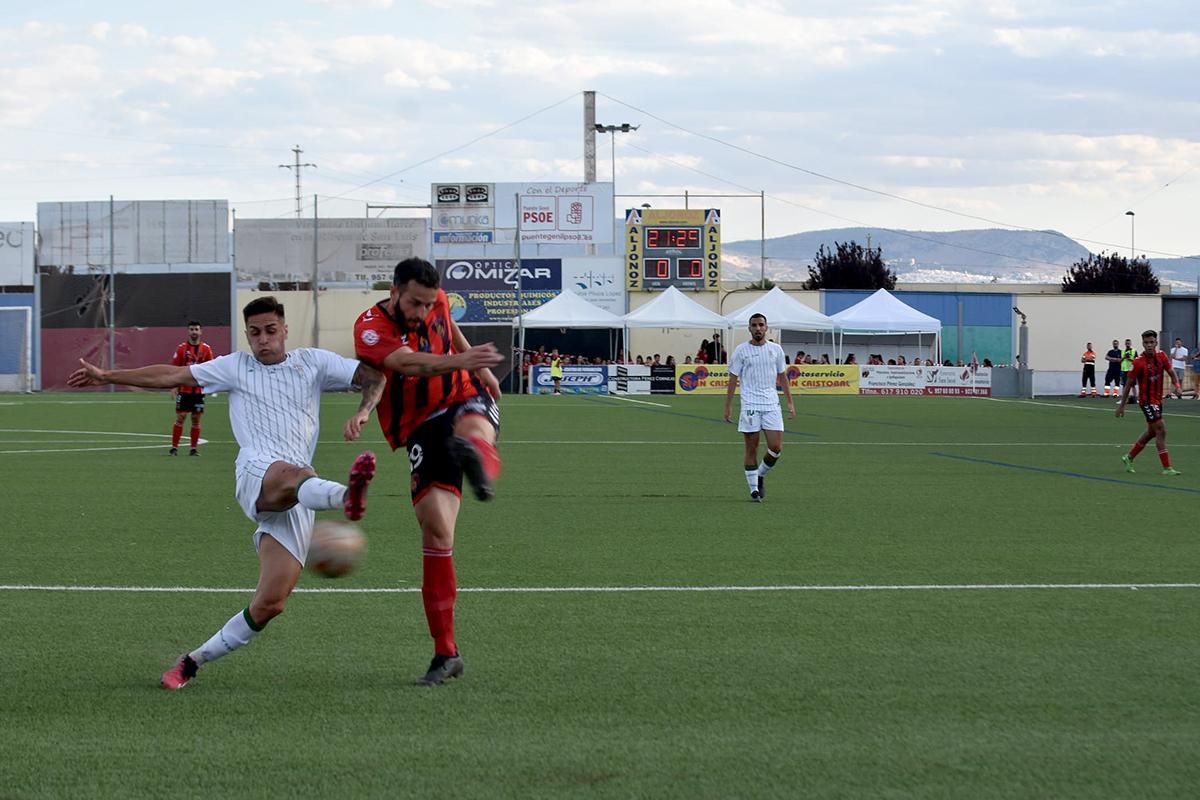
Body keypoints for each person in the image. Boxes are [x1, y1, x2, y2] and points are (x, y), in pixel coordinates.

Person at [67, 296, 386, 690]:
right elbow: (172, 375)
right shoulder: (235, 367)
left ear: (285, 330)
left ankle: (191, 662)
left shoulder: (314, 363)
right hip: (258, 472)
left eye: (271, 331)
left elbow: (374, 377)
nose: (263, 340)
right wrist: (107, 375)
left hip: (298, 495)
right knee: (297, 473)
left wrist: (363, 410)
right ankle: (345, 497)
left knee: (271, 603)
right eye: (254, 333)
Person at [354, 257, 505, 687]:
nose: (422, 311)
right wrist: (464, 361)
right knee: (436, 529)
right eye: (414, 303)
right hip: (419, 424)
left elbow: (450, 328)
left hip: (461, 394)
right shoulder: (370, 328)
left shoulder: (435, 299)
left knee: (474, 426)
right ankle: (446, 653)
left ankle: (477, 458)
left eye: (427, 303)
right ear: (395, 290)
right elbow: (409, 364)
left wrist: (477, 366)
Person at [723, 313, 795, 503]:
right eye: (754, 325)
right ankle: (754, 490)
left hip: (772, 403)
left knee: (776, 447)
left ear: (766, 327)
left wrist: (790, 402)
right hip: (750, 405)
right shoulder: (741, 350)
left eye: (761, 325)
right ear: (749, 328)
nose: (757, 328)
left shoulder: (776, 350)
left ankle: (761, 474)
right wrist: (728, 405)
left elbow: (782, 376)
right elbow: (732, 378)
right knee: (751, 448)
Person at [1116, 329, 1181, 476]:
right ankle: (1167, 468)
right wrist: (1122, 406)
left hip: (1158, 400)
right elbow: (1128, 385)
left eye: (1152, 342)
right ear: (1143, 344)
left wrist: (1177, 385)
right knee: (1161, 430)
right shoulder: (1138, 362)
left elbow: (1171, 373)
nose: (1149, 345)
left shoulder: (1162, 356)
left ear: (1156, 342)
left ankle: (1129, 457)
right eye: (1146, 343)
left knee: (1152, 432)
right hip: (1146, 402)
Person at [169, 321, 215, 456]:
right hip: (184, 390)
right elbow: (175, 369)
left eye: (196, 329)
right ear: (188, 331)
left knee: (196, 418)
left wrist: (210, 386)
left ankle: (193, 449)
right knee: (181, 417)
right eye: (191, 329)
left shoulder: (206, 349)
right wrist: (173, 387)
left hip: (198, 391)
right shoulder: (181, 349)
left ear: (200, 332)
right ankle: (174, 448)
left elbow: (210, 368)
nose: (194, 332)